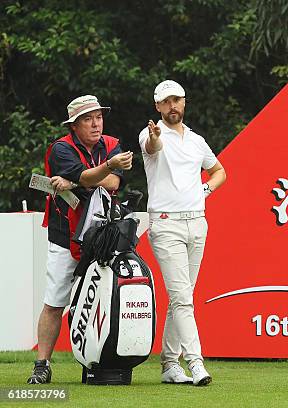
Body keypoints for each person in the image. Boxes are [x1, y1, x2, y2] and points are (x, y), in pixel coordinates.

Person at [27, 95, 133, 384]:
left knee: (104, 298)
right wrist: (94, 173)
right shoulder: (61, 149)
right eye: (88, 119)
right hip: (65, 235)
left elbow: (114, 182)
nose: (96, 123)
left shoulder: (110, 145)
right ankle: (42, 364)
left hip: (104, 235)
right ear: (74, 125)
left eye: (98, 117)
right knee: (55, 301)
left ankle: (98, 361)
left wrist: (78, 180)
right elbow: (89, 176)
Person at [139, 80, 226, 386]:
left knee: (183, 298)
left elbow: (219, 171)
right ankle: (196, 363)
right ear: (158, 106)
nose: (173, 106)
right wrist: (154, 138)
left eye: (177, 100)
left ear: (184, 103)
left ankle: (169, 365)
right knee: (182, 299)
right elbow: (153, 147)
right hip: (166, 225)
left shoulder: (197, 140)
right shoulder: (150, 135)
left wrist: (203, 191)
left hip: (197, 222)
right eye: (167, 101)